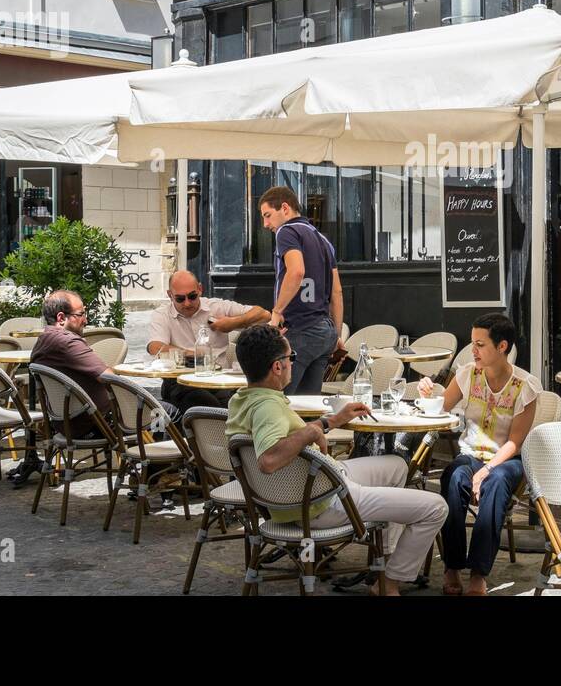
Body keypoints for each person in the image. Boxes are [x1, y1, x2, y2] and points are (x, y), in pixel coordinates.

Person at [225, 325, 447, 595]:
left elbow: (283, 438)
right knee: (435, 507)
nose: (292, 363)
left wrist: (330, 421)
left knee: (397, 465)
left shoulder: (243, 399)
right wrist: (309, 432)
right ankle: (389, 583)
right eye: (291, 358)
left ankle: (384, 556)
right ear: (277, 367)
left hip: (308, 488)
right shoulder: (267, 408)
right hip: (321, 503)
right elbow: (269, 460)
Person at [416, 312, 541, 596]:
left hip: (507, 460)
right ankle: (452, 566)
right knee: (454, 476)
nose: (473, 351)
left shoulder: (526, 387)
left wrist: (486, 470)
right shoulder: (466, 374)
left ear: (502, 347)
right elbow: (441, 407)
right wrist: (427, 394)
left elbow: (515, 443)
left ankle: (478, 573)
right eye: (473, 343)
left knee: (495, 483)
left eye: (480, 345)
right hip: (470, 455)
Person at [258, 186, 344, 396]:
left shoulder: (286, 231)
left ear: (285, 208)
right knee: (306, 409)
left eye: (268, 215)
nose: (265, 224)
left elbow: (296, 272)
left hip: (298, 329)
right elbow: (337, 293)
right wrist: (337, 336)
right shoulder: (323, 240)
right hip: (324, 333)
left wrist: (277, 312)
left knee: (276, 403)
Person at [148, 270, 269, 414]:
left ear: (200, 289)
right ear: (170, 295)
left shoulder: (216, 306)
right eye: (180, 299)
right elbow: (155, 347)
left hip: (220, 382)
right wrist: (193, 354)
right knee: (209, 406)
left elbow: (264, 314)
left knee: (255, 404)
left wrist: (232, 323)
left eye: (192, 296)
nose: (187, 303)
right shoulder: (162, 314)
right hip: (180, 383)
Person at [29, 290, 116, 437]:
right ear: (61, 318)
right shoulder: (68, 342)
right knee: (163, 412)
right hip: (96, 422)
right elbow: (111, 379)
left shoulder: (43, 339)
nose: (85, 320)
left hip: (65, 423)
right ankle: (154, 458)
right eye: (80, 314)